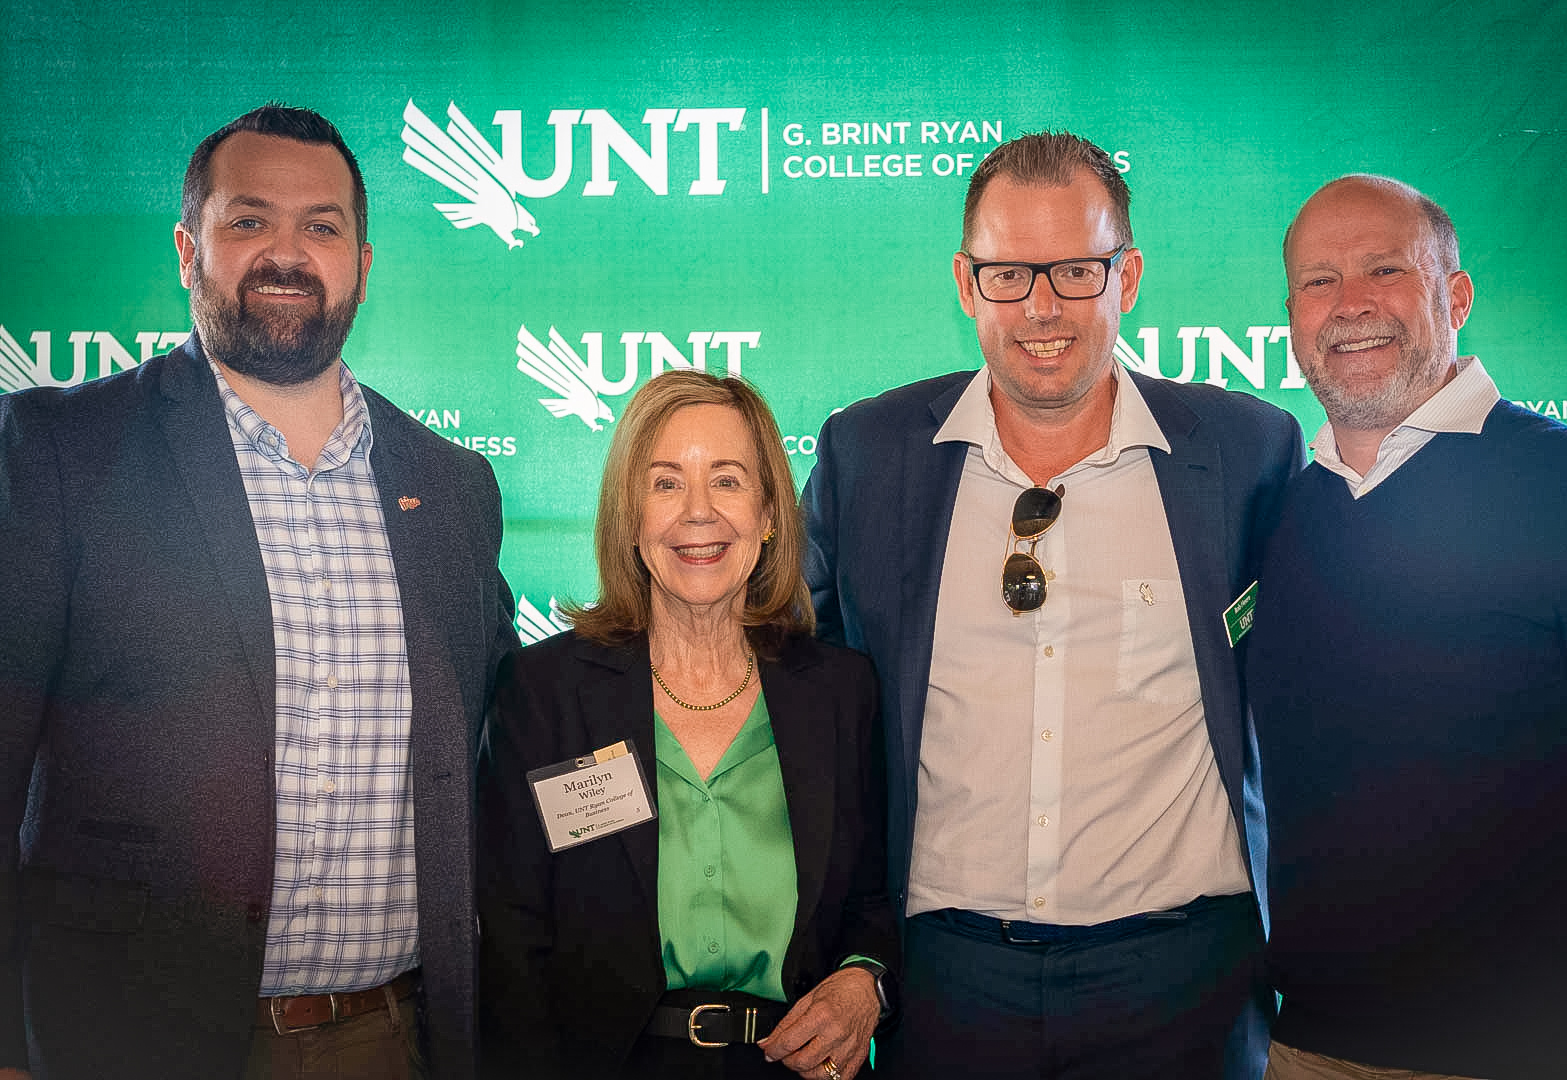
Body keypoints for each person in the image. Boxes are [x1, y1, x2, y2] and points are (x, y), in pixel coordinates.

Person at [0, 104, 518, 1079]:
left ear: (363, 262)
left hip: (393, 1039)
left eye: (320, 226)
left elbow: (508, 733)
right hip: (124, 1041)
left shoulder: (450, 487)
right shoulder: (55, 453)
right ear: (188, 249)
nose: (287, 252)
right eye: (249, 221)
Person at [801, 131, 1305, 1078]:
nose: (1041, 307)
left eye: (1076, 269)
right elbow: (809, 705)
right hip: (943, 983)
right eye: (1006, 274)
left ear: (1128, 275)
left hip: (1186, 981)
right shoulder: (866, 455)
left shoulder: (1246, 453)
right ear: (964, 282)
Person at [1249, 173, 1567, 1080]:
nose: (1351, 305)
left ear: (1455, 296)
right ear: (1289, 315)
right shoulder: (1284, 514)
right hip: (1302, 1048)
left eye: (1384, 270)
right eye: (1318, 281)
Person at [478, 369, 898, 1079]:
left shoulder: (839, 691)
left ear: (769, 514)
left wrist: (864, 978)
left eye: (728, 481)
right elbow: (511, 936)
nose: (696, 514)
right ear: (628, 514)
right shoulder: (546, 691)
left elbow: (874, 898)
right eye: (665, 483)